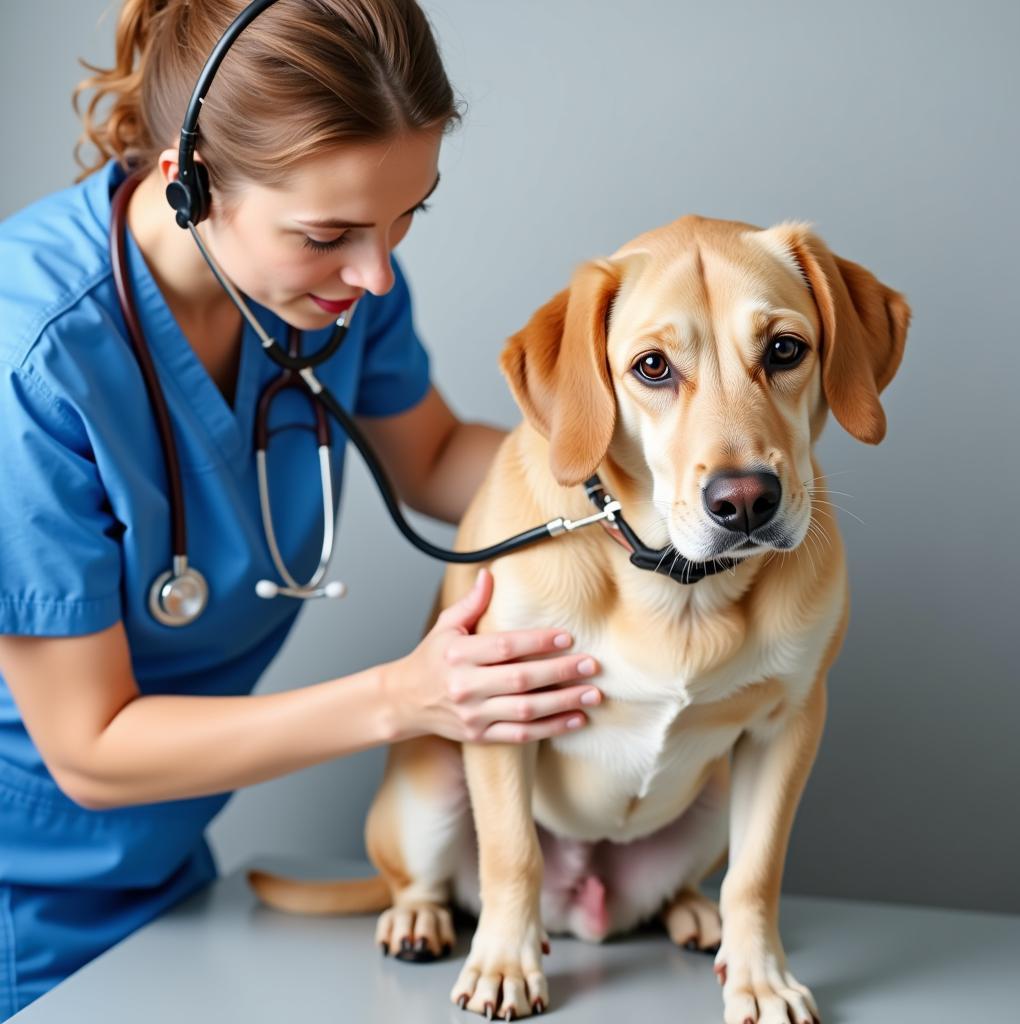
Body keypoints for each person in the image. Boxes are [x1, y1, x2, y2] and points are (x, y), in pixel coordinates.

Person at [0, 0, 604, 1016]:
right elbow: (91, 749)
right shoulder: (33, 363)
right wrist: (407, 697)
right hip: (22, 897)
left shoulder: (323, 293)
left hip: (171, 874)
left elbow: (442, 461)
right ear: (187, 182)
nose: (374, 274)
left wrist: (628, 475)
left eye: (405, 219)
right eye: (328, 234)